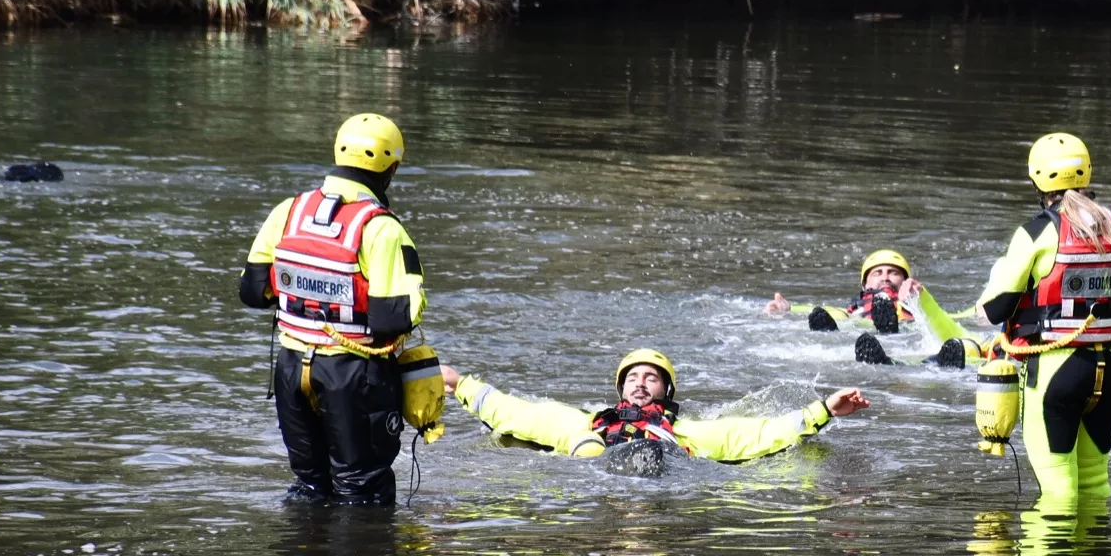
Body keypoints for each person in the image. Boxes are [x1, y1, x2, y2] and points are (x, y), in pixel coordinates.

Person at [239, 113, 427, 505]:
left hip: (291, 370)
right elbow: (394, 319)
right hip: (353, 376)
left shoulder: (289, 211)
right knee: (362, 491)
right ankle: (363, 547)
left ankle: (303, 544)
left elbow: (252, 292)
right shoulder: (382, 228)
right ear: (391, 168)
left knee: (310, 486)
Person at [977, 132, 1111, 498]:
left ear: (1036, 179)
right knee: (1095, 483)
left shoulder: (1037, 231)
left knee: (1057, 488)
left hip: (1056, 368)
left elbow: (995, 309)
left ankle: (1052, 538)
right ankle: (1097, 538)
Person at [440, 348, 869, 462]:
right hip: (594, 464)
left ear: (666, 391)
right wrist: (459, 384)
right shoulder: (584, 425)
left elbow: (760, 434)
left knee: (658, 451)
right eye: (632, 377)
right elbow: (518, 412)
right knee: (584, 446)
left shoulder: (690, 434)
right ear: (620, 391)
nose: (640, 383)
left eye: (651, 377)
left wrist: (825, 409)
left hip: (662, 465)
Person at [766, 249, 972, 366]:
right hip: (862, 325)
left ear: (905, 281)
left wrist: (980, 311)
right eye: (877, 273)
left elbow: (955, 318)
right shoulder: (851, 310)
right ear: (864, 285)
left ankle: (892, 339)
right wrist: (789, 308)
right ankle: (830, 332)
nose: (885, 277)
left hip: (904, 330)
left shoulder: (916, 308)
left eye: (893, 272)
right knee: (830, 316)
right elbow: (822, 310)